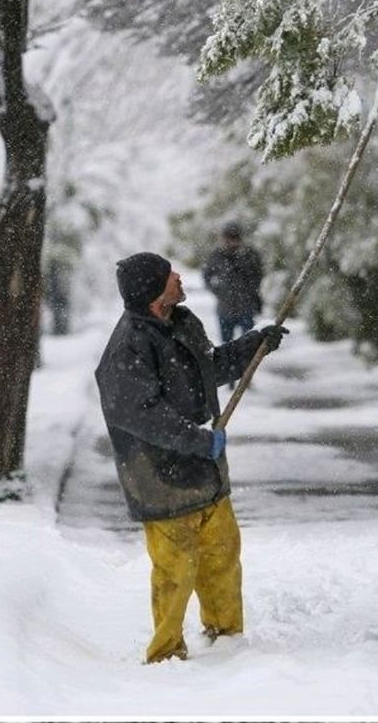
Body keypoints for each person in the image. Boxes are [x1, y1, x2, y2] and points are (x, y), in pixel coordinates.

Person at [94, 252, 288, 664]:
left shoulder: (181, 323)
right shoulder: (127, 348)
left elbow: (208, 369)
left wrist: (254, 346)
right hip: (159, 477)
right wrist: (197, 440)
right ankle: (165, 652)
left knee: (222, 555)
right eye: (169, 274)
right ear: (153, 290)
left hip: (202, 468)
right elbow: (143, 414)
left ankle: (226, 636)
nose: (178, 276)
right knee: (175, 570)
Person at [203, 222, 264, 344]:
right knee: (226, 345)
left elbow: (258, 275)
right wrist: (218, 290)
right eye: (227, 237)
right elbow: (206, 275)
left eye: (234, 237)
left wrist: (249, 290)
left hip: (246, 306)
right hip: (225, 307)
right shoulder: (216, 255)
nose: (231, 242)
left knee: (250, 342)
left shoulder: (249, 254)